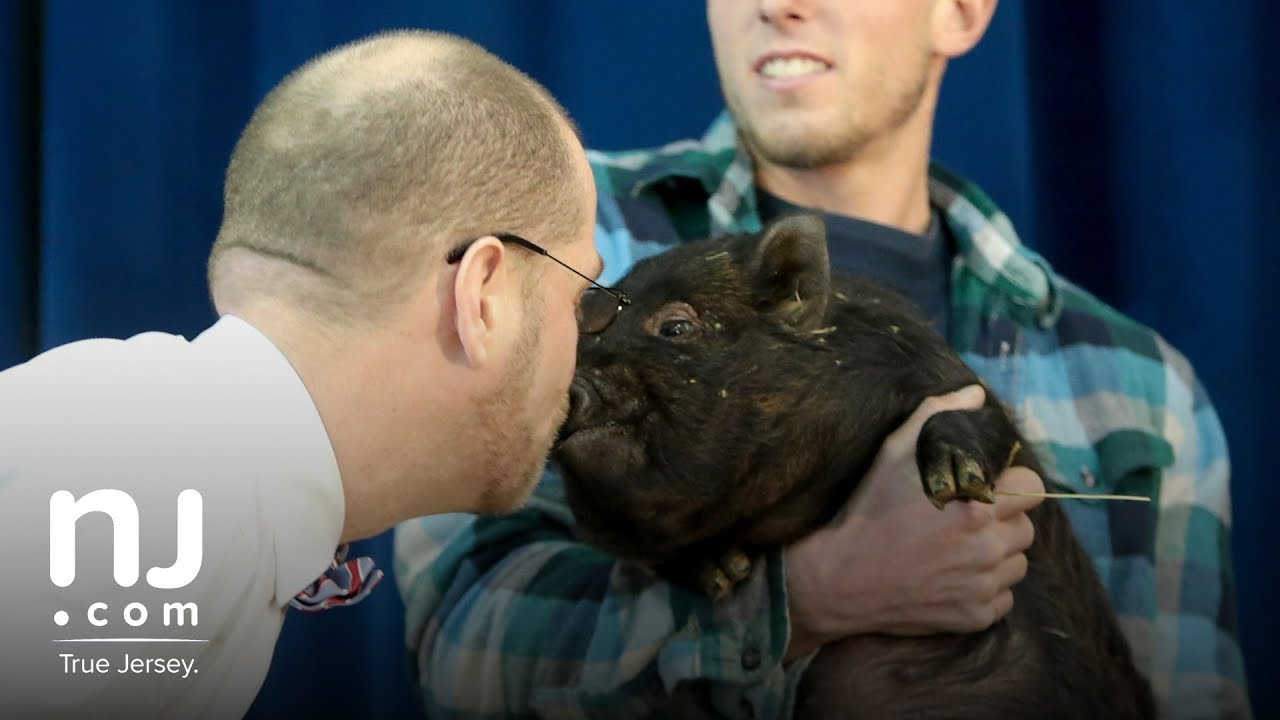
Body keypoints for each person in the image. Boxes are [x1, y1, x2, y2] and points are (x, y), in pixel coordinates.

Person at [395, 1, 1250, 718]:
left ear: (959, 11)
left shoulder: (1143, 391)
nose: (779, 5)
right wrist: (804, 602)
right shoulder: (551, 247)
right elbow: (464, 647)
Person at [0, 29, 603, 719]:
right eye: (580, 299)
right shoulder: (153, 497)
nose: (584, 350)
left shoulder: (177, 471)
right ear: (483, 296)